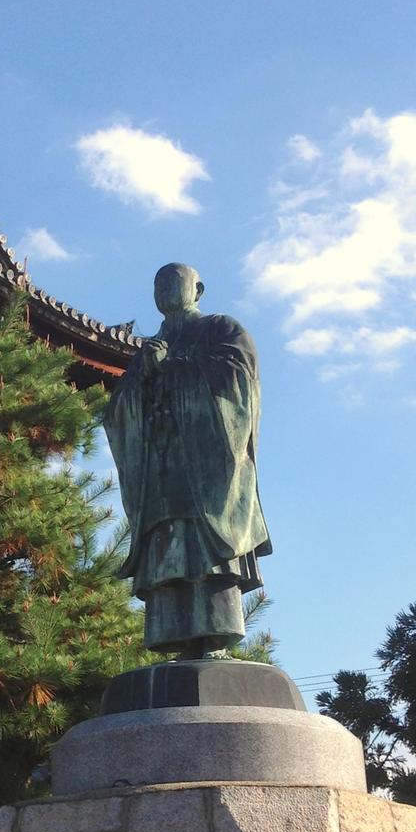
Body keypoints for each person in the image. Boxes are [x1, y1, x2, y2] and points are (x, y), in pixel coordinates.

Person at [104, 263, 271, 657]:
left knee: (204, 553)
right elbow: (117, 412)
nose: (164, 289)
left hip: (206, 470)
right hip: (160, 471)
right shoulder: (148, 349)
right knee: (167, 546)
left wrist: (174, 368)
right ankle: (177, 637)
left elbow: (238, 381)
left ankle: (215, 638)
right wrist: (141, 382)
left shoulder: (220, 329)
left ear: (198, 289)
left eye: (173, 281)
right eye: (157, 284)